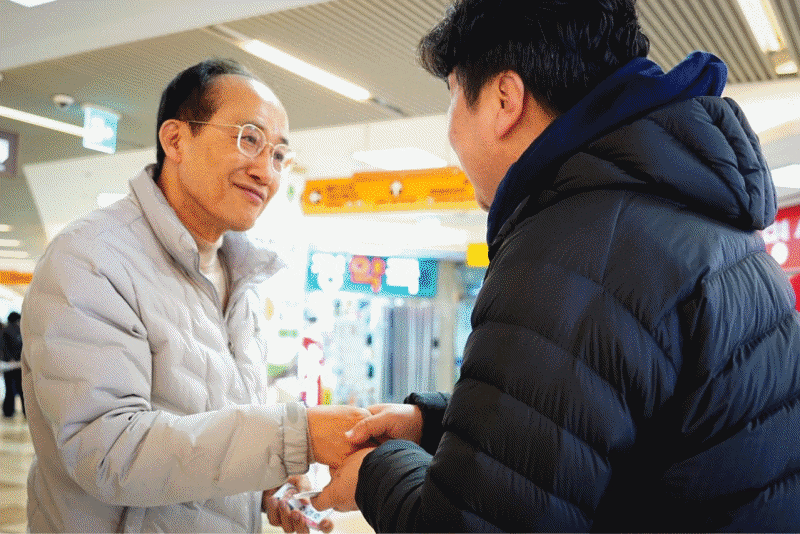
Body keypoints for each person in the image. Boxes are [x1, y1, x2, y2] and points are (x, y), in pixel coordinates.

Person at [311, 0, 800, 531]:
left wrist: (373, 472)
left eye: (453, 96)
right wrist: (435, 425)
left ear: (504, 99)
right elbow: (616, 425)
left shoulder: (569, 251)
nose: (450, 131)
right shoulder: (713, 229)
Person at [21, 58, 368, 533]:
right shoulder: (92, 260)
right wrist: (294, 434)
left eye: (279, 155)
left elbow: (209, 428)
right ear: (175, 139)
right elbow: (108, 453)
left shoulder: (238, 278)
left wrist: (267, 483)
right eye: (249, 138)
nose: (265, 170)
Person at [2, 311, 23, 418]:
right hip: (18, 364)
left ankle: (8, 412)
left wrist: (9, 358)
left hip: (10, 365)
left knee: (10, 390)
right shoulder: (18, 329)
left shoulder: (5, 330)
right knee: (20, 389)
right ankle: (25, 412)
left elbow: (3, 348)